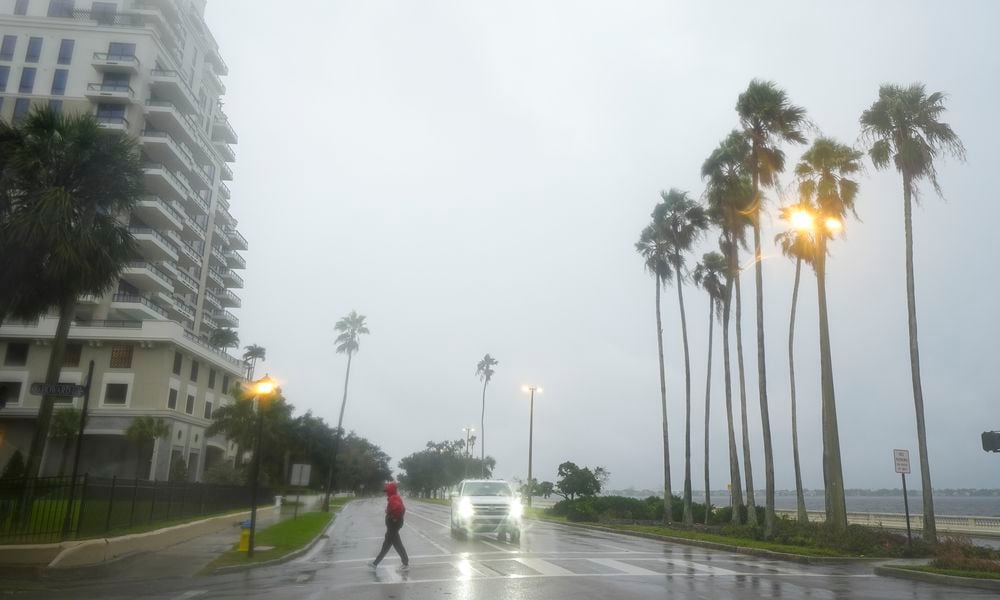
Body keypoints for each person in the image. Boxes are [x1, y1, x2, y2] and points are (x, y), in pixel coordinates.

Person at [369, 481, 409, 571]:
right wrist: (390, 513)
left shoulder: (393, 498)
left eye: (387, 491)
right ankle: (405, 562)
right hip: (393, 525)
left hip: (393, 525)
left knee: (387, 544)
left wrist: (394, 517)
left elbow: (399, 508)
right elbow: (401, 509)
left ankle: (375, 563)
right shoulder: (394, 497)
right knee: (396, 544)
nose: (386, 493)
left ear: (390, 491)